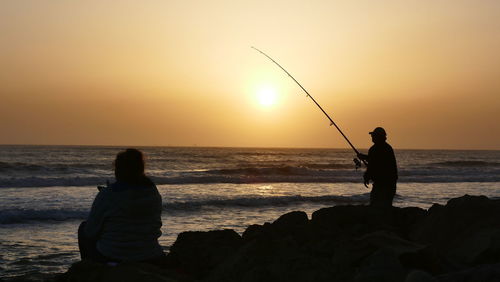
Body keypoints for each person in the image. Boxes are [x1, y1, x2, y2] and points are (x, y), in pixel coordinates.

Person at [78, 148, 165, 264]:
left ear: (118, 170)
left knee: (83, 228)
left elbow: (90, 232)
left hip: (113, 255)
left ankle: (91, 268)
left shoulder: (108, 194)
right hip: (150, 254)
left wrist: (104, 197)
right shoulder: (152, 192)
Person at [357, 127, 398, 207]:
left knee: (376, 204)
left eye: (373, 135)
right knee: (385, 206)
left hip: (383, 183)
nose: (372, 137)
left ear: (378, 136)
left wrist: (367, 176)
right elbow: (375, 161)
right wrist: (364, 157)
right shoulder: (387, 148)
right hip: (390, 182)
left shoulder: (376, 149)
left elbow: (374, 162)